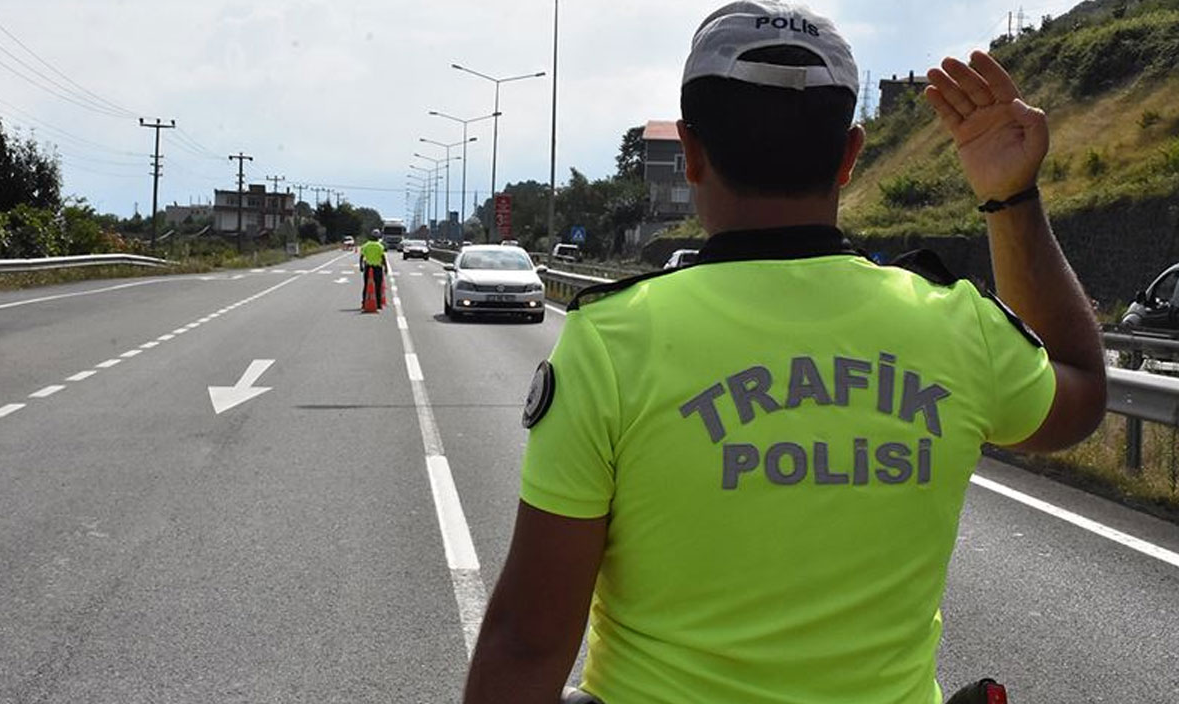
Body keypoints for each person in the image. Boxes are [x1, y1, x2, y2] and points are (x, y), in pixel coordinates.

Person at [463, 2, 1107, 703]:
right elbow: (1079, 396)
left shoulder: (613, 343)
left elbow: (527, 644)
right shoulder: (958, 328)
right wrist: (1012, 198)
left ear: (691, 150)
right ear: (851, 155)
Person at [359, 229, 388, 309]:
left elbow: (362, 256)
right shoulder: (380, 246)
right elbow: (383, 257)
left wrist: (361, 266)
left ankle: (364, 303)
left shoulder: (366, 245)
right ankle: (378, 304)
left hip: (368, 267)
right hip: (377, 268)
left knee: (366, 286)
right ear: (378, 237)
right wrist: (386, 267)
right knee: (378, 286)